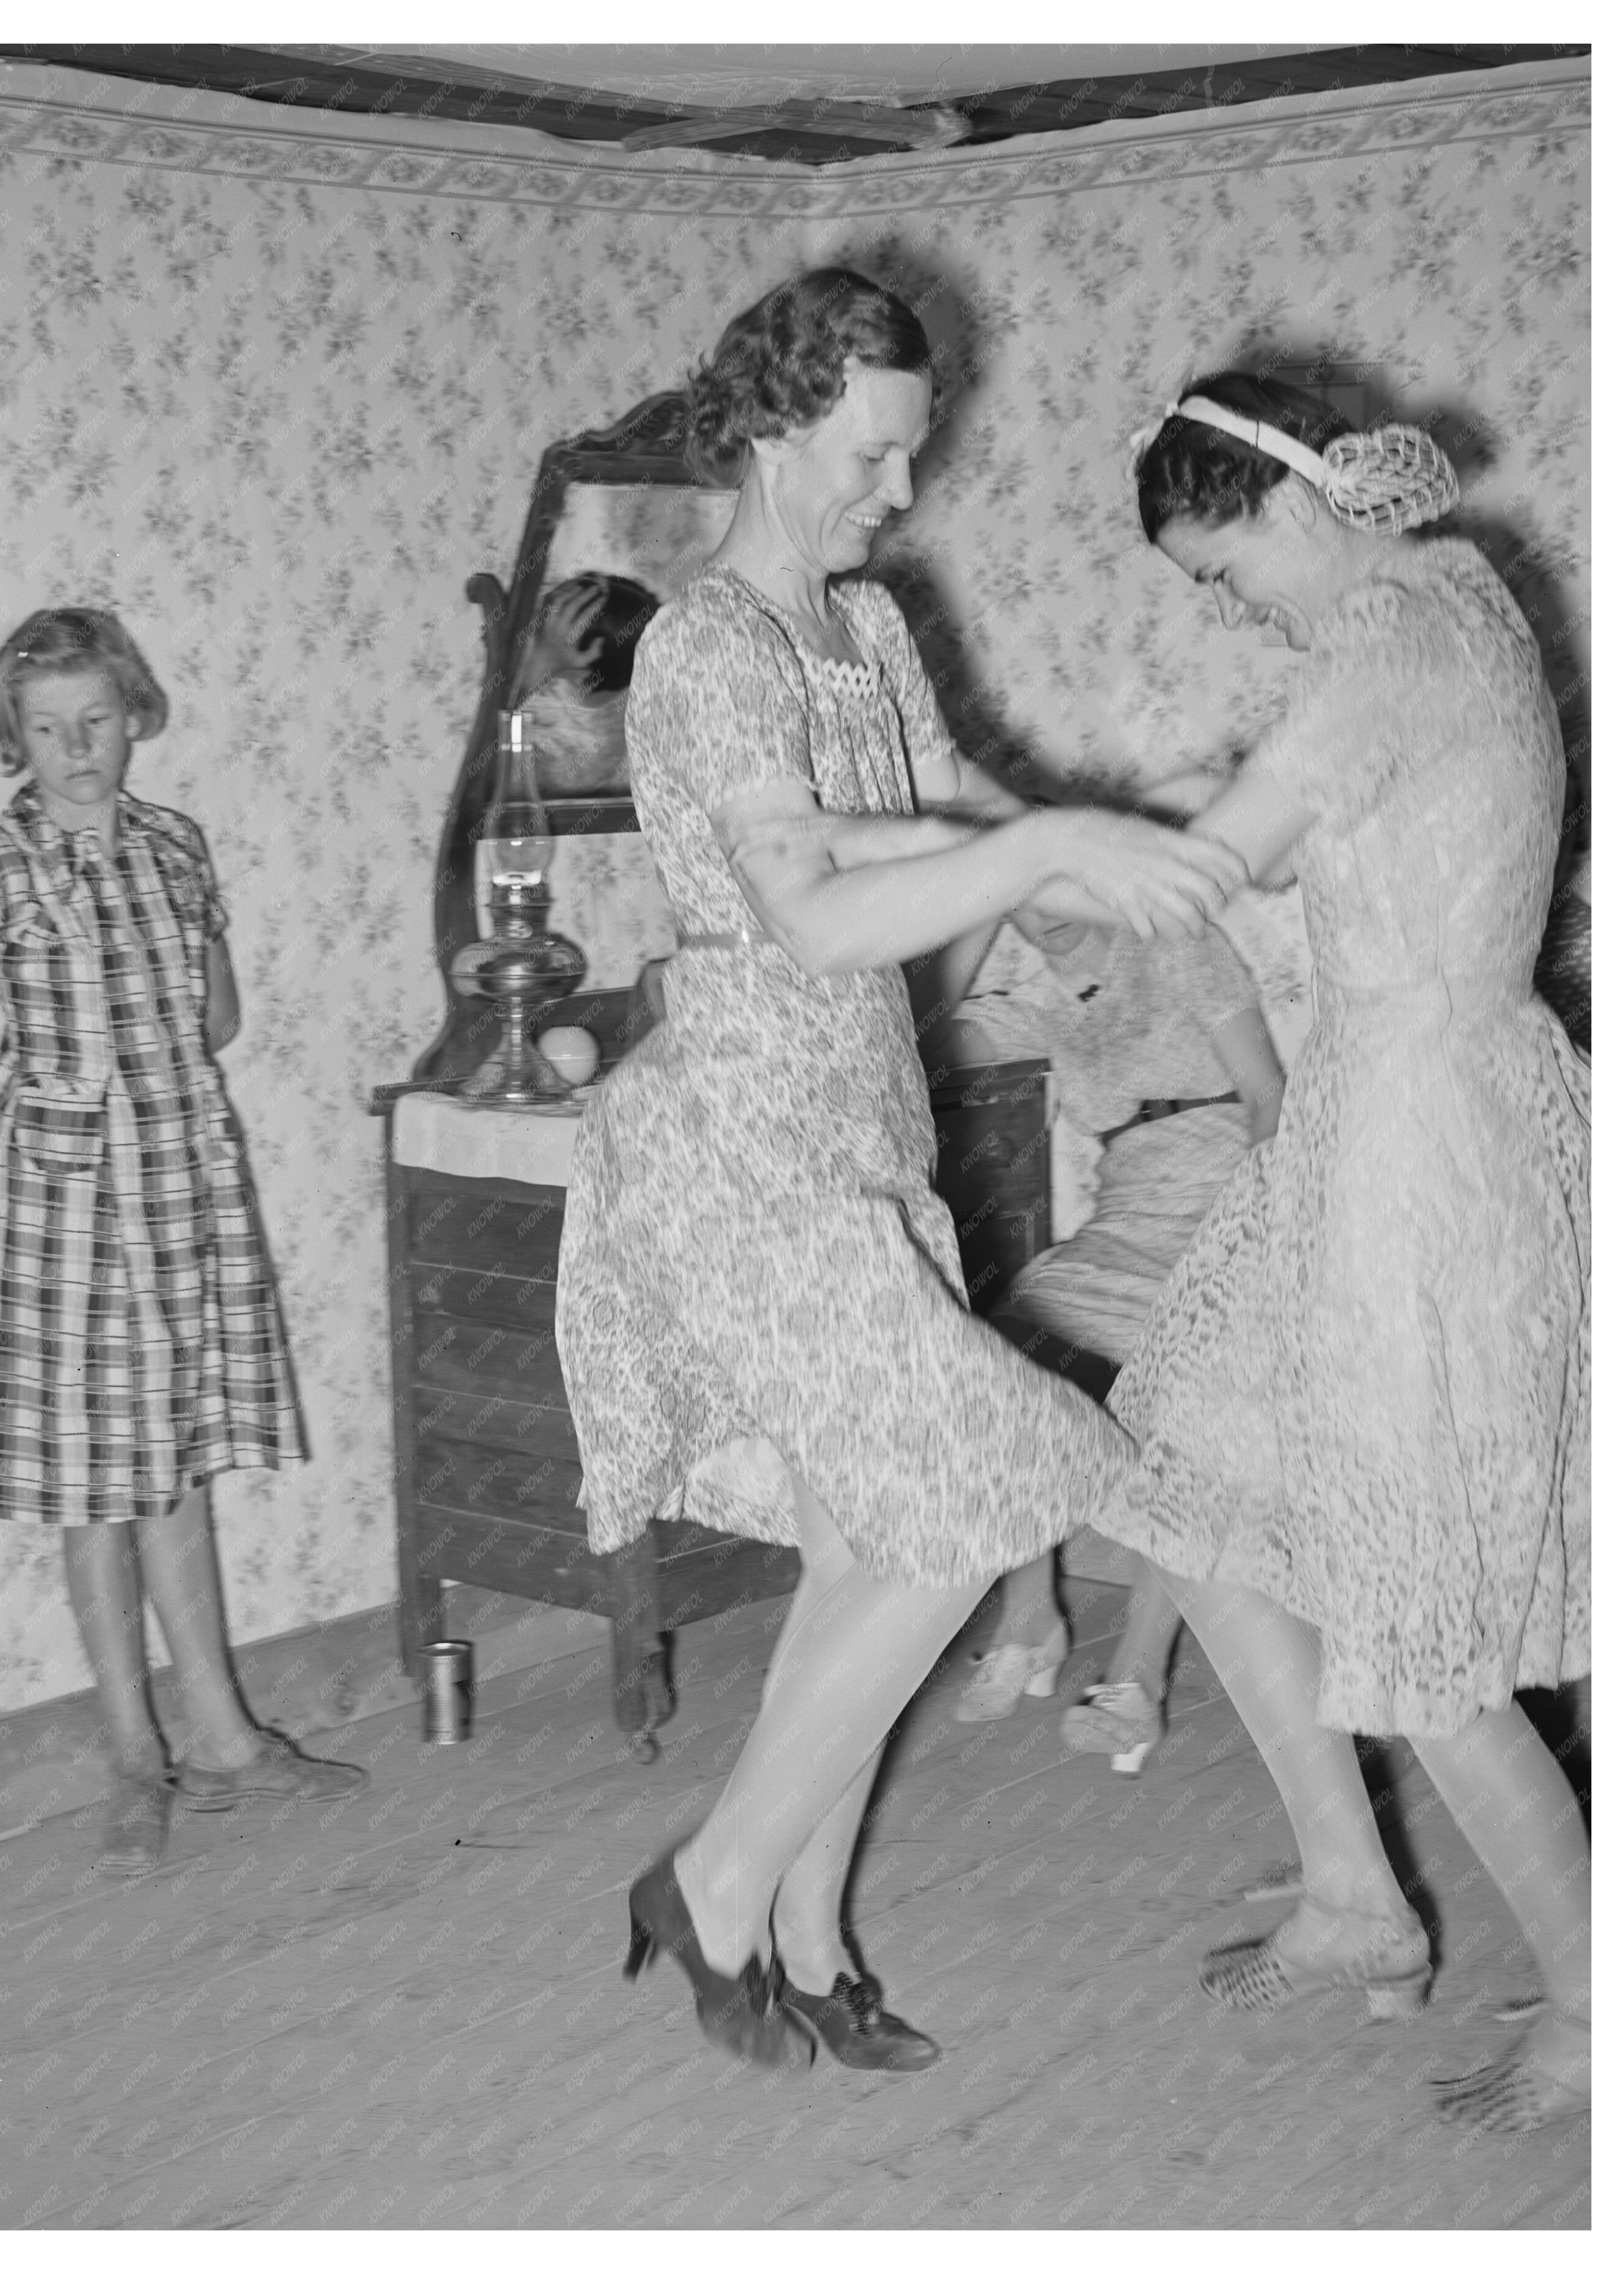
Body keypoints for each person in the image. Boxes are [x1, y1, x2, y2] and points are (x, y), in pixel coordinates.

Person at [553, 271, 1247, 2074]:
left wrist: (1173, 855)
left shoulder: (863, 626)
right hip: (741, 1143)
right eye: (872, 453)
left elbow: (950, 826)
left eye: (912, 456)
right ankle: (709, 1882)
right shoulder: (704, 645)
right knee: (973, 1498)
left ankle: (802, 1927)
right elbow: (808, 898)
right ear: (777, 428)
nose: (894, 491)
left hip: (865, 1128)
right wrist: (1061, 846)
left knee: (880, 1542)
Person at [1089, 375, 1589, 2131]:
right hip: (1392, 1109)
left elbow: (1213, 866)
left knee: (1414, 1612)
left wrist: (1008, 842)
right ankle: (1354, 1896)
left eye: (1217, 568)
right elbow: (1351, 812)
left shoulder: (1389, 636)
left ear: (1291, 506)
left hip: (1417, 1146)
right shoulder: (1455, 601)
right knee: (1179, 1479)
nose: (1228, 606)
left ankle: (1598, 2008)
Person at [0, 607, 365, 1875]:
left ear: (134, 712)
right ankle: (136, 1752)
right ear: (14, 739)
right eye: (48, 729)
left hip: (185, 1184)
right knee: (98, 1486)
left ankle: (229, 1736)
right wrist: (13, 1098)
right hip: (64, 1212)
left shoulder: (175, 847)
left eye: (97, 721)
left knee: (178, 1466)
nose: (78, 748)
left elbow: (217, 1014)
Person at [933, 910, 1284, 1747]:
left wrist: (1269, 1238)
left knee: (1189, 1403)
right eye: (1026, 895)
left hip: (1223, 1210)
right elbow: (916, 1034)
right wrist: (979, 906)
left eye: (1062, 888)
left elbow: (1269, 1094)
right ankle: (1029, 1616)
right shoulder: (1047, 1004)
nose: (1043, 915)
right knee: (1003, 1360)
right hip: (1119, 1230)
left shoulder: (1179, 948)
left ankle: (1139, 1671)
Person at [514, 572, 660, 795]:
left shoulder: (589, 752)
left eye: (539, 633)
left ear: (579, 668)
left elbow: (506, 783)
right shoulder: (613, 681)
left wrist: (532, 675)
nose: (526, 638)